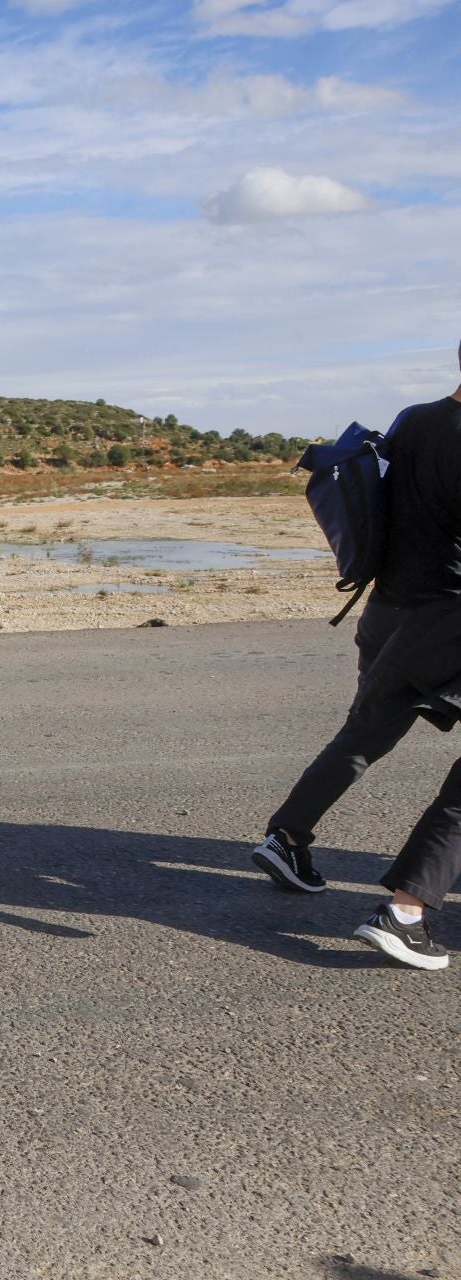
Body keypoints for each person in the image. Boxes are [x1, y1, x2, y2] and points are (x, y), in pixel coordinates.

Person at [251, 346, 461, 970]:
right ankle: (406, 910)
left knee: (362, 736)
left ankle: (286, 837)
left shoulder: (414, 418)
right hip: (450, 617)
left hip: (389, 610)